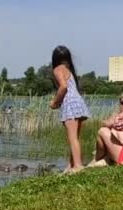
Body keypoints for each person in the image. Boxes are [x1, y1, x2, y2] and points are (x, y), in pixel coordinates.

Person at [49, 45, 91, 174]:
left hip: (69, 104)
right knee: (75, 138)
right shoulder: (68, 70)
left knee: (72, 138)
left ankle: (78, 166)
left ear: (54, 58)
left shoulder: (57, 69)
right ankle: (71, 165)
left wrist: (55, 102)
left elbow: (63, 87)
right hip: (78, 102)